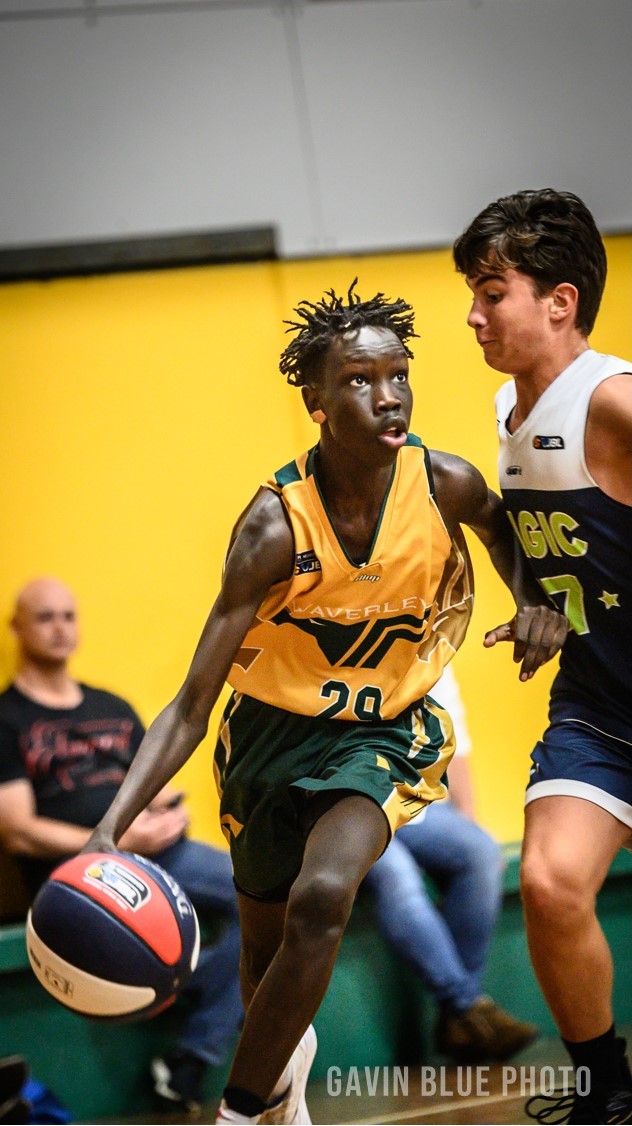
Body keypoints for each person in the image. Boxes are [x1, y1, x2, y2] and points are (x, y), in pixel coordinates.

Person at [83, 282, 566, 1126]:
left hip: (383, 733)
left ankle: (235, 1115)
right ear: (316, 402)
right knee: (264, 957)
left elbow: (504, 533)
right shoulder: (273, 528)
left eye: (398, 375)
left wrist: (536, 603)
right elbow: (192, 704)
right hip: (269, 741)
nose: (388, 395)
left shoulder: (444, 484)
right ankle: (277, 1098)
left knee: (325, 894)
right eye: (358, 380)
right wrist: (108, 828)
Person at [453, 188, 632, 1125]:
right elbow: (545, 550)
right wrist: (535, 603)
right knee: (550, 882)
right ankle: (605, 1090)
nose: (473, 316)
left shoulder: (614, 401)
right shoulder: (510, 407)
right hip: (599, 704)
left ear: (560, 302)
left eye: (493, 294)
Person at [0, 577, 243, 1113]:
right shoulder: (7, 718)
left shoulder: (110, 705)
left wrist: (167, 810)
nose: (60, 628)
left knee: (264, 896)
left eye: (68, 616)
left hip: (161, 853)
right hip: (81, 873)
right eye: (45, 617)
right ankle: (189, 1042)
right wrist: (116, 839)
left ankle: (183, 1029)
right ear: (17, 627)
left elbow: (153, 781)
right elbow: (18, 828)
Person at [363, 663, 538, 1062]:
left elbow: (452, 732)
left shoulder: (430, 649)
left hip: (411, 804)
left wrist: (469, 820)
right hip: (349, 809)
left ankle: (462, 1019)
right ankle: (467, 1007)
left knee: (481, 851)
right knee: (398, 876)